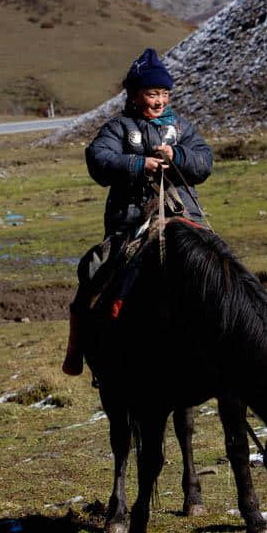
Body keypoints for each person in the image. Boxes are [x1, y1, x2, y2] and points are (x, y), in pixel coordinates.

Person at [62, 48, 213, 375]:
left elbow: (205, 162)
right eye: (152, 93)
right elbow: (97, 159)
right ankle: (78, 351)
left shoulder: (182, 128)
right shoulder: (118, 128)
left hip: (184, 217)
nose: (159, 101)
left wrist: (177, 156)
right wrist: (137, 163)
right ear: (134, 94)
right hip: (131, 222)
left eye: (164, 94)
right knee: (93, 270)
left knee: (224, 268)